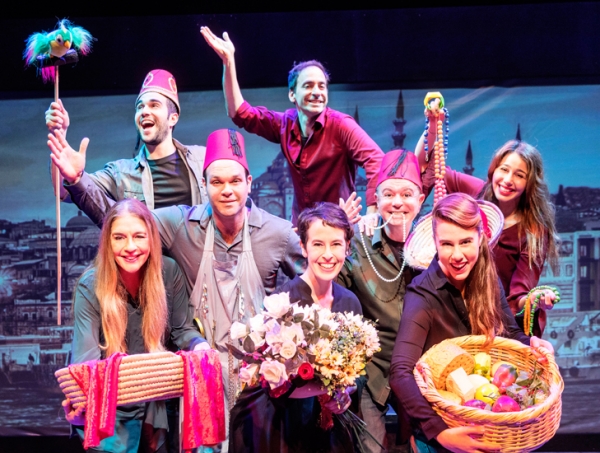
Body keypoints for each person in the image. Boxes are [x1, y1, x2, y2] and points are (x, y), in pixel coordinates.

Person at [150, 128, 305, 452]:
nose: (227, 190)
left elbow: (312, 283)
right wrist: (77, 182)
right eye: (217, 182)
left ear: (249, 182)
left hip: (260, 379)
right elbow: (128, 223)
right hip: (203, 373)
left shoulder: (277, 233)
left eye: (235, 181)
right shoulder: (181, 226)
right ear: (204, 185)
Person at [388, 193, 554, 453]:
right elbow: (400, 372)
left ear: (480, 238)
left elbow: (510, 333)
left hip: (489, 427)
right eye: (447, 244)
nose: (457, 255)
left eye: (465, 242)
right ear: (435, 243)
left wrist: (532, 345)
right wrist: (441, 433)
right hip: (442, 435)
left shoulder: (488, 277)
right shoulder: (422, 295)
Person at [63, 198, 209, 453]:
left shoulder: (169, 272)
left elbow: (181, 329)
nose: (130, 247)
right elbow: (86, 361)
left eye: (139, 236)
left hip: (156, 408)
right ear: (108, 242)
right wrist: (81, 401)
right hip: (110, 414)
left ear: (151, 238)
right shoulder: (90, 285)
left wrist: (200, 346)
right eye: (119, 238)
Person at [201, 26, 384, 225]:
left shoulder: (341, 125)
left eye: (322, 86)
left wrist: (372, 212)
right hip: (302, 229)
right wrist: (228, 62)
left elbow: (377, 160)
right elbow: (240, 113)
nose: (317, 92)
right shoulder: (285, 124)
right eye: (308, 86)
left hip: (337, 229)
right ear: (292, 94)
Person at [229, 202, 363, 453]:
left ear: (347, 247)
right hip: (286, 428)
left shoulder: (350, 302)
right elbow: (272, 383)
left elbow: (355, 371)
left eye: (336, 244)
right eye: (318, 244)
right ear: (303, 247)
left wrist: (345, 393)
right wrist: (325, 389)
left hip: (332, 431)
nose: (328, 254)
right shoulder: (283, 303)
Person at [417, 130, 559, 337]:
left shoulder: (533, 232)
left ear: (530, 183)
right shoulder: (477, 193)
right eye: (504, 169)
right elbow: (429, 166)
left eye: (519, 175)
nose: (508, 180)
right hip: (456, 313)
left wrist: (534, 299)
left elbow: (517, 296)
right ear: (494, 170)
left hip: (498, 325)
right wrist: (432, 126)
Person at [337, 148, 425, 452]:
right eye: (388, 194)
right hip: (372, 370)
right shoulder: (358, 242)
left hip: (421, 371)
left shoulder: (434, 244)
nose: (397, 202)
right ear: (376, 199)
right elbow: (331, 291)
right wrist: (337, 234)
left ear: (420, 200)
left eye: (407, 194)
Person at [47, 69, 207, 225]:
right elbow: (64, 191)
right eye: (140, 107)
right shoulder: (120, 173)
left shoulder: (203, 159)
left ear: (173, 118)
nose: (144, 111)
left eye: (154, 105)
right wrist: (59, 134)